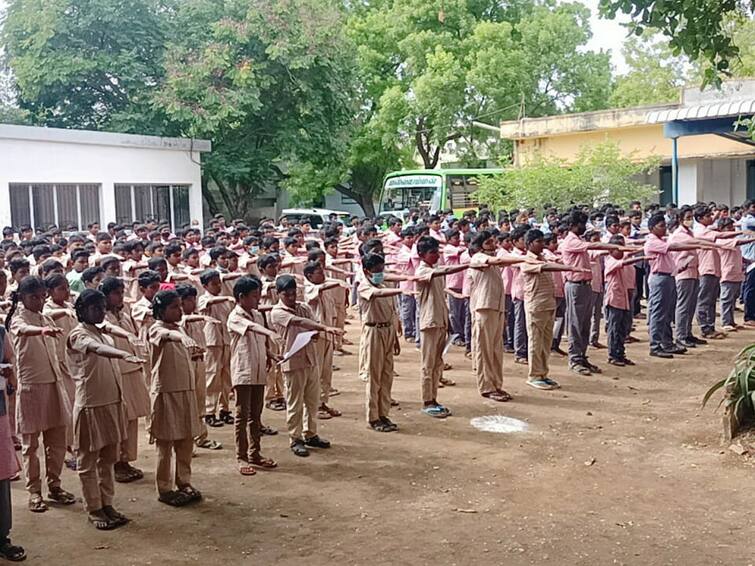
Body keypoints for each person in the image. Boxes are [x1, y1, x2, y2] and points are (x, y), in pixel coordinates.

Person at [68, 289, 144, 530]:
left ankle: (107, 503)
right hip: (91, 405)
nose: (100, 311)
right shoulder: (78, 335)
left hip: (111, 403)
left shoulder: (101, 331)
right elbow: (95, 349)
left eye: (102, 307)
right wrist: (123, 354)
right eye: (94, 308)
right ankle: (94, 508)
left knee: (108, 458)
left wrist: (129, 338)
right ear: (81, 311)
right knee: (88, 460)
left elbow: (109, 332)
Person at [7, 276, 75, 513]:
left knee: (56, 442)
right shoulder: (17, 320)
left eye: (40, 296)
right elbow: (24, 331)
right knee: (30, 445)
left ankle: (55, 485)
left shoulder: (45, 317)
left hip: (54, 384)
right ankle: (34, 491)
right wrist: (42, 330)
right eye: (32, 297)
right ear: (22, 298)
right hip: (31, 388)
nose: (38, 301)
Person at [269, 275, 342, 457]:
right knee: (295, 402)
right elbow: (299, 322)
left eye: (294, 293)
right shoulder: (277, 311)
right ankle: (295, 437)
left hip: (310, 357)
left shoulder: (304, 307)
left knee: (312, 399)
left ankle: (310, 433)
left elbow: (311, 330)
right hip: (293, 360)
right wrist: (324, 328)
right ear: (279, 294)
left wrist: (316, 332)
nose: (292, 298)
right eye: (287, 295)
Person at [149, 290, 203, 507]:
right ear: (161, 311)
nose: (180, 310)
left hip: (185, 390)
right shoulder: (157, 329)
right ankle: (164, 488)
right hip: (166, 392)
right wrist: (182, 337)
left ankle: (184, 481)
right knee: (165, 442)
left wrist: (195, 352)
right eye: (174, 307)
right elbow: (166, 336)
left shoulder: (179, 328)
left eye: (180, 305)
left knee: (186, 440)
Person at [560, 211, 627, 376]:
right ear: (572, 226)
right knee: (575, 324)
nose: (583, 227)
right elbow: (594, 246)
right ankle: (574, 359)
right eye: (580, 224)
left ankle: (582, 356)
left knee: (585, 324)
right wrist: (613, 246)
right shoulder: (570, 241)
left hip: (585, 285)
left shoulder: (579, 241)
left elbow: (595, 252)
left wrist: (613, 249)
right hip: (575, 285)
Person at [520, 229, 588, 390]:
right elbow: (546, 267)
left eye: (543, 241)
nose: (542, 244)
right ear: (529, 244)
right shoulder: (527, 261)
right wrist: (570, 268)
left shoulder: (542, 257)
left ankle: (543, 373)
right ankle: (534, 375)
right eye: (539, 242)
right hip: (536, 305)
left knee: (545, 342)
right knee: (536, 342)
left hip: (548, 303)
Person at [227, 276, 280, 475]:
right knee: (242, 414)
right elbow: (251, 329)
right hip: (243, 370)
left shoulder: (257, 315)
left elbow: (259, 340)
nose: (258, 300)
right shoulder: (235, 316)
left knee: (256, 414)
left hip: (258, 369)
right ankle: (241, 456)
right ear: (241, 297)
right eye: (254, 296)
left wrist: (271, 354)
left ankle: (254, 453)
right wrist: (268, 332)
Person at [644, 213, 715, 358]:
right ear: (652, 228)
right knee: (658, 313)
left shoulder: (660, 240)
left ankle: (667, 343)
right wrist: (698, 244)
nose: (664, 229)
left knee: (667, 313)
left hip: (668, 277)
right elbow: (674, 246)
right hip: (660, 279)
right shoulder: (652, 241)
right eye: (661, 226)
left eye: (664, 225)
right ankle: (655, 345)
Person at [100, 277, 150, 482]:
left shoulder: (124, 313)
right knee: (119, 418)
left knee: (131, 418)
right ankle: (116, 463)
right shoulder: (102, 317)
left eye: (122, 292)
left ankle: (126, 459)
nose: (120, 296)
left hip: (131, 367)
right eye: (116, 293)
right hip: (116, 370)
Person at [414, 236, 469, 417]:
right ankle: (427, 400)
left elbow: (441, 296)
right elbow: (442, 271)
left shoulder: (434, 269)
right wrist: (465, 265)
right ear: (422, 255)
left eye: (437, 252)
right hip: (429, 323)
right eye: (432, 253)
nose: (437, 255)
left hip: (440, 321)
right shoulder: (422, 270)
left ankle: (433, 398)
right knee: (428, 364)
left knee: (438, 363)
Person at [468, 231, 526, 402]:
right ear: (480, 246)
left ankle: (496, 384)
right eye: (489, 243)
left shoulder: (491, 260)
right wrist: (524, 258)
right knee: (484, 350)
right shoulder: (477, 257)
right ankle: (486, 386)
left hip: (495, 307)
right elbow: (500, 261)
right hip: (483, 307)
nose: (494, 245)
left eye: (493, 242)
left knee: (495, 349)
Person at [358, 253, 405, 432]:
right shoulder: (364, 286)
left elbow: (392, 312)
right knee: (374, 376)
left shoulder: (384, 286)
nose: (380, 273)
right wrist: (401, 290)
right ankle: (373, 416)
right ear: (367, 271)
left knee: (387, 375)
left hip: (387, 330)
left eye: (381, 269)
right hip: (373, 331)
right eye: (376, 271)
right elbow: (376, 294)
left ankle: (383, 413)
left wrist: (394, 338)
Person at [175, 284, 222, 451]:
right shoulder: (178, 321)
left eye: (193, 299)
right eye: (188, 300)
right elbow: (184, 321)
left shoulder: (196, 317)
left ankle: (201, 436)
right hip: (187, 363)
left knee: (200, 399)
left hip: (200, 360)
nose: (192, 302)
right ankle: (185, 441)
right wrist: (202, 318)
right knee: (187, 402)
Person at [303, 262, 343, 420]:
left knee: (326, 371)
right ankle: (314, 404)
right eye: (319, 273)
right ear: (309, 276)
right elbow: (315, 295)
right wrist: (338, 282)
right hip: (316, 335)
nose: (323, 275)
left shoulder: (324, 289)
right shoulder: (309, 288)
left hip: (328, 333)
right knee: (316, 371)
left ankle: (323, 401)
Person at [0, 324, 25, 561]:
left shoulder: (0, 332)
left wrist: (8, 374)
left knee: (1, 475)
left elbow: (10, 363)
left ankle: (2, 537)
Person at [604, 236, 648, 366]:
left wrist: (642, 248)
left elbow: (630, 253)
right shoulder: (610, 261)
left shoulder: (621, 257)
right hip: (614, 299)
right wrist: (642, 257)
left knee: (623, 327)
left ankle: (620, 353)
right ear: (611, 250)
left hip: (623, 298)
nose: (622, 251)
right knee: (614, 328)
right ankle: (613, 355)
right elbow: (624, 262)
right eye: (619, 248)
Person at [198, 269, 235, 427]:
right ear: (205, 286)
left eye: (219, 283)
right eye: (214, 284)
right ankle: (209, 411)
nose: (218, 286)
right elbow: (208, 304)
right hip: (211, 341)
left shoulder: (226, 301)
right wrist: (225, 297)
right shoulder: (203, 299)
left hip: (225, 339)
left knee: (227, 376)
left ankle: (224, 409)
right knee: (212, 376)